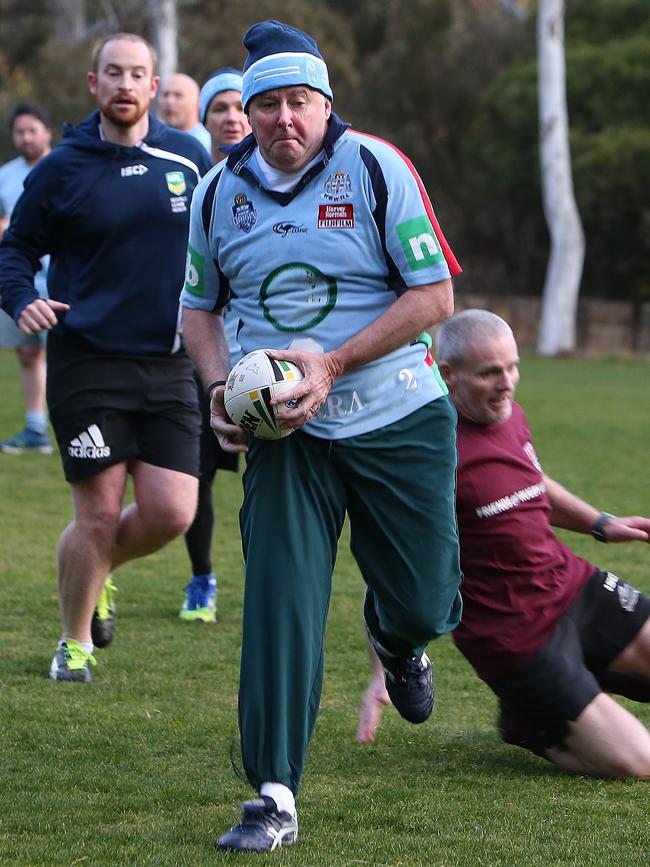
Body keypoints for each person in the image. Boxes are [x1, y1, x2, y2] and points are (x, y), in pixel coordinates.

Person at [180, 19, 463, 852]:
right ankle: (273, 793)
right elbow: (196, 309)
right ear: (246, 112)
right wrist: (214, 390)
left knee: (425, 595)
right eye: (264, 103)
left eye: (297, 101)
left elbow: (435, 296)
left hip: (396, 410)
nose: (281, 119)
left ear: (326, 105)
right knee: (280, 602)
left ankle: (398, 636)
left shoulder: (377, 166)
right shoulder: (215, 191)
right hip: (283, 435)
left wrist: (333, 363)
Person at [0, 32, 213, 683]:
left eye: (137, 74)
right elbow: (15, 251)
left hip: (170, 361)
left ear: (155, 87)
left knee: (173, 512)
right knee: (95, 512)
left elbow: (220, 244)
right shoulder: (61, 168)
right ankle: (74, 642)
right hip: (87, 363)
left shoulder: (188, 157)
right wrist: (20, 301)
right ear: (94, 85)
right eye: (112, 73)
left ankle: (100, 572)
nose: (125, 84)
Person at [357, 308, 650, 781]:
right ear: (446, 372)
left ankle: (587, 674)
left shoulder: (508, 412)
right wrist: (384, 668)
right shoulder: (426, 455)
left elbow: (532, 482)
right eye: (490, 372)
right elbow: (389, 574)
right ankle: (529, 723)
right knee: (640, 762)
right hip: (518, 640)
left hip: (574, 586)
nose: (507, 382)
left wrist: (600, 523)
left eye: (512, 367)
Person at [177, 68, 251, 624]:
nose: (230, 117)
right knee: (196, 473)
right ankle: (202, 576)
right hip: (201, 354)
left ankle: (272, 579)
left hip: (260, 350)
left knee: (266, 472)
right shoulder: (187, 181)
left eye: (238, 106)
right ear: (203, 119)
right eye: (218, 107)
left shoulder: (275, 178)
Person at [0, 102, 53, 454]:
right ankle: (36, 429)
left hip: (63, 278)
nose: (26, 138)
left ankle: (78, 426)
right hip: (22, 281)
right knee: (27, 352)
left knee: (68, 355)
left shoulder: (64, 166)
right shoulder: (6, 175)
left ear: (47, 132)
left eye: (32, 130)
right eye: (20, 132)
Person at [198, 67, 251, 165]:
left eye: (241, 108)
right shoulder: (194, 174)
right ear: (205, 120)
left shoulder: (272, 175)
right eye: (220, 109)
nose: (232, 118)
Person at [158, 72, 212, 154]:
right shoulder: (149, 141)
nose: (169, 101)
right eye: (165, 95)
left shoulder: (207, 147)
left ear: (197, 102)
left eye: (178, 95)